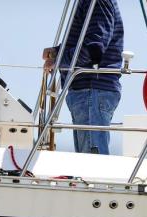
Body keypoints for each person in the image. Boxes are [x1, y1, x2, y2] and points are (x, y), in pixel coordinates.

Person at [43, 0, 124, 155]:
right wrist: (56, 51)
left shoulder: (96, 2)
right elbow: (89, 44)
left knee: (91, 165)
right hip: (90, 92)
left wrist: (57, 59)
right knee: (87, 163)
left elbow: (94, 50)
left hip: (91, 91)